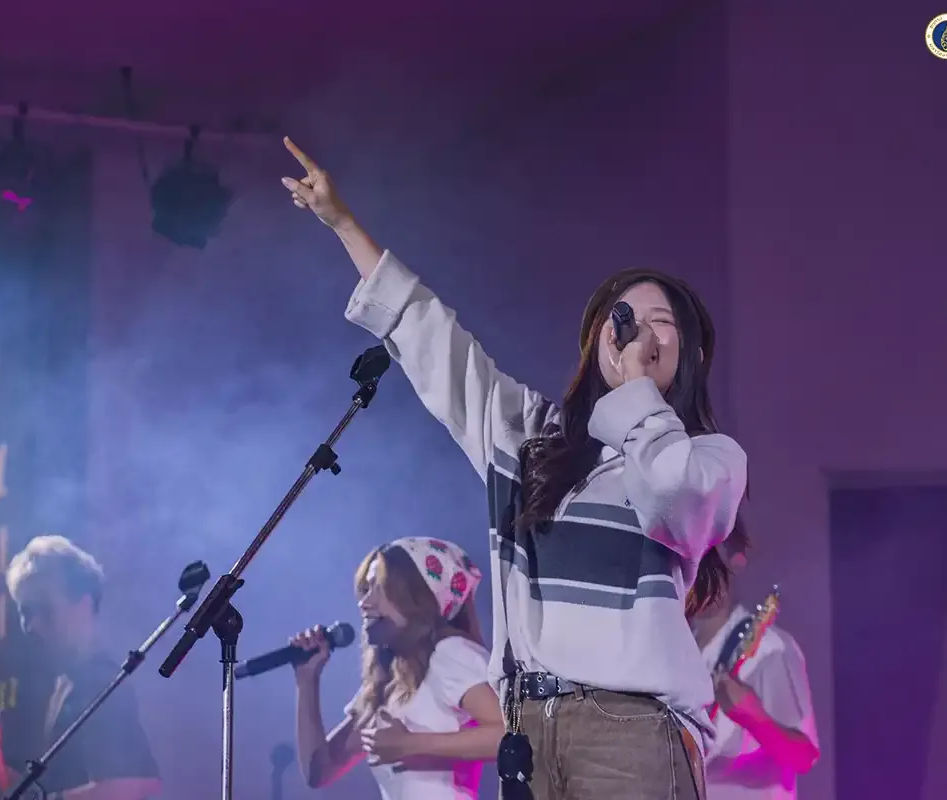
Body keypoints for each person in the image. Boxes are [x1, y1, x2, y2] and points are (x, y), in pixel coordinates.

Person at [281, 137, 749, 800]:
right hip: (528, 733)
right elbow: (434, 340)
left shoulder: (709, 457)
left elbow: (671, 493)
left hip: (633, 730)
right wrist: (344, 225)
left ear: (691, 353)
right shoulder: (529, 441)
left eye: (660, 322)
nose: (639, 332)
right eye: (623, 319)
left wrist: (636, 389)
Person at [291, 537, 503, 800]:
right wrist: (307, 681)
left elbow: (511, 735)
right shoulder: (388, 681)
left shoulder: (451, 653)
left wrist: (410, 744)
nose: (364, 602)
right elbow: (320, 771)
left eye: (379, 587)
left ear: (419, 596)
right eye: (365, 589)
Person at [3, 535, 162, 800]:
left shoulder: (99, 682)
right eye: (25, 612)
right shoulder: (67, 679)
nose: (31, 625)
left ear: (83, 605)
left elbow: (133, 784)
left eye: (44, 609)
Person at [693, 537, 820, 800]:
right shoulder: (677, 652)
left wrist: (754, 717)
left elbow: (803, 757)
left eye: (708, 554)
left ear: (736, 561)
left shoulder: (770, 648)